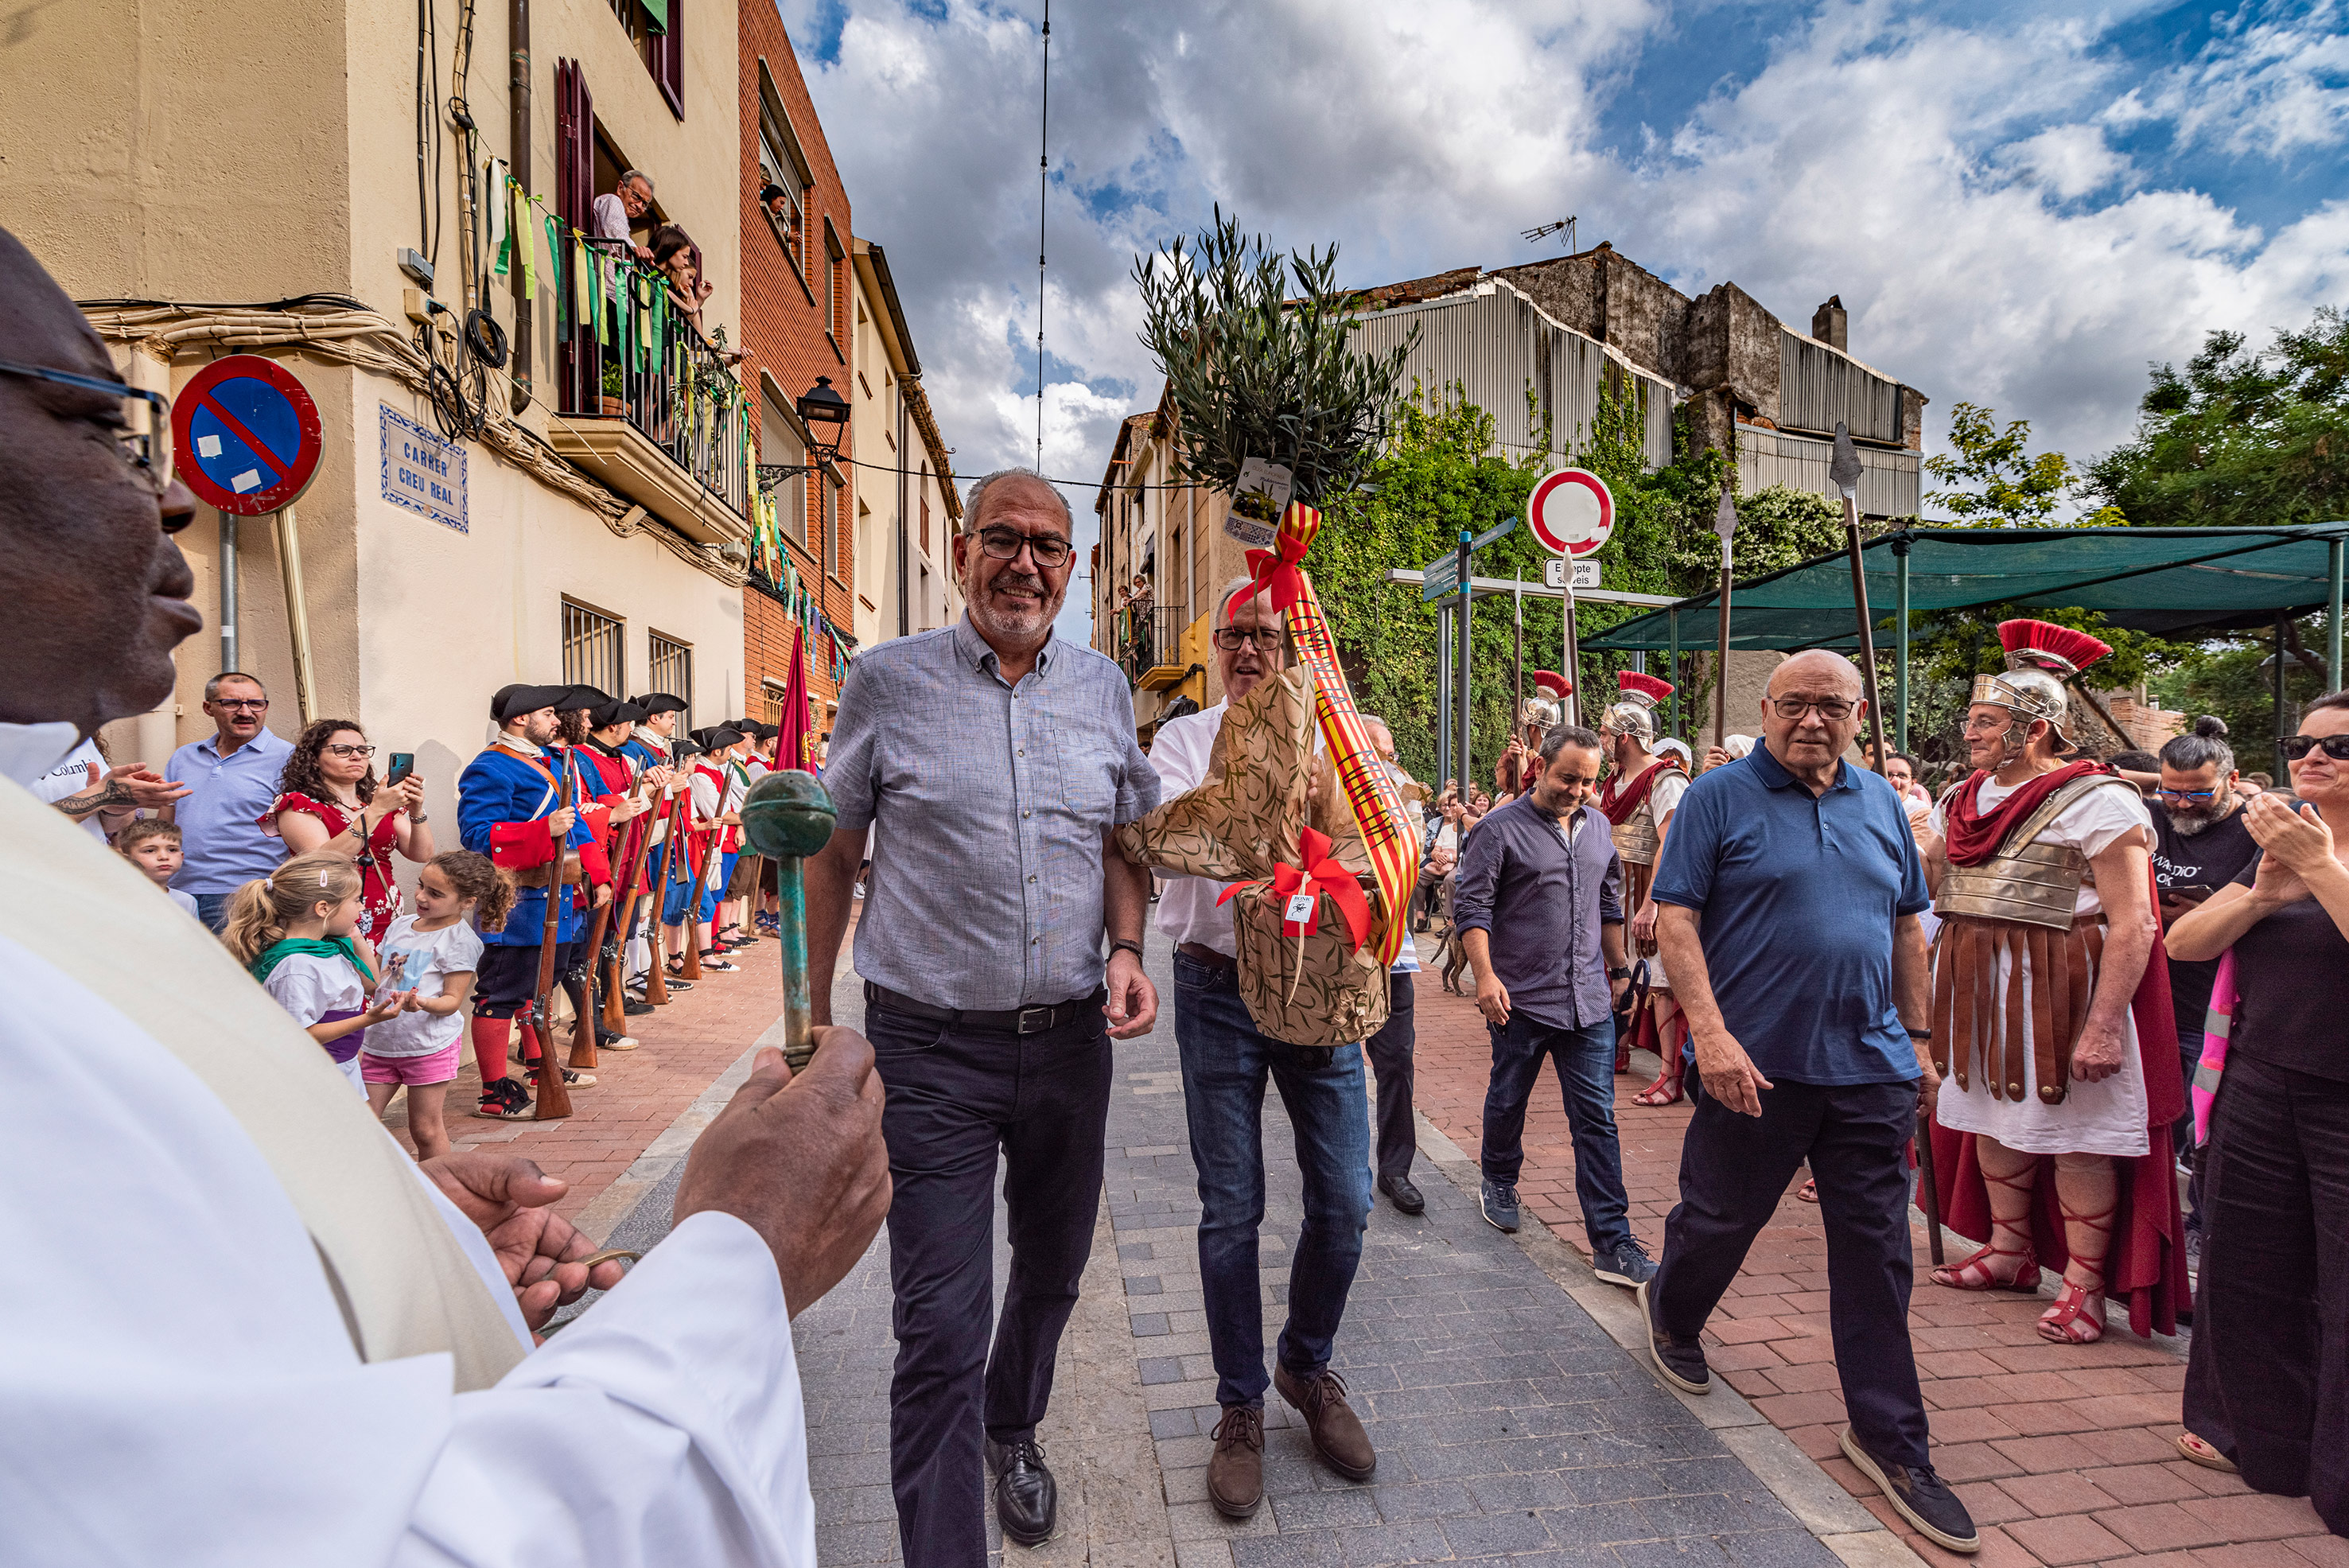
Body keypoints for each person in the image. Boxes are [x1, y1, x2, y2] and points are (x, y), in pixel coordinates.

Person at [0, 222, 892, 1566]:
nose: (170, 497)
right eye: (90, 420)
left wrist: (422, 1261)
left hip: (569, 915)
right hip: (531, 916)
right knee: (529, 1002)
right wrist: (738, 1260)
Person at [806, 466, 1159, 1564]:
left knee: (1051, 1273)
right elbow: (833, 844)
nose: (1024, 561)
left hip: (1067, 1044)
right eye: (1001, 538)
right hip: (928, 1050)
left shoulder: (1103, 687)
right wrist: (816, 1016)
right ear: (961, 552)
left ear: (1075, 568)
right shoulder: (886, 679)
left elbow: (1123, 837)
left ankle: (1015, 1425)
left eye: (1047, 545)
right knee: (940, 1325)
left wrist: (1131, 948)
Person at [1647, 650, 1978, 1555]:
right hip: (1757, 1066)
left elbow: (1907, 924)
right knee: (1720, 1219)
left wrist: (1915, 1040)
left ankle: (1889, 1440)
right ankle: (1672, 1312)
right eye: (1793, 704)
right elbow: (1673, 917)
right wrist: (1709, 1038)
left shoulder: (1880, 802)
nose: (1810, 720)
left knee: (1875, 1255)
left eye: (1829, 705)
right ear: (1766, 708)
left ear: (1858, 713)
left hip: (1868, 1066)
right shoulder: (1717, 797)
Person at [1149, 578, 1379, 1519]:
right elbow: (1184, 841)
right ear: (1214, 650)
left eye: (1268, 635)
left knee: (1348, 1199)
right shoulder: (1182, 740)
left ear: (1296, 648)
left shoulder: (1344, 739)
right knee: (1229, 1207)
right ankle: (1239, 1403)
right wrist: (1287, 797)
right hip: (1215, 986)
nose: (1250, 649)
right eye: (1235, 635)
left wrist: (1339, 810)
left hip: (1316, 982)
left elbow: (1373, 841)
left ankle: (1303, 1366)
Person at [1919, 622, 2185, 1347]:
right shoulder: (1962, 795)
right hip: (1975, 982)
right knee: (1993, 1120)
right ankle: (2009, 1252)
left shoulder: (2099, 799)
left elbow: (2135, 924)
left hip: (2061, 984)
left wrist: (2102, 1024)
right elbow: (1933, 873)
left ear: (2034, 729)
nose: (1969, 731)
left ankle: (2083, 1286)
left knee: (2076, 1136)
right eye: (1972, 718)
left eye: (1986, 720)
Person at [2167, 691, 2349, 1531]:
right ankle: (2259, 1439)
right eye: (2301, 744)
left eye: (2337, 748)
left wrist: (2317, 869)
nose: (2311, 759)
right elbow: (2183, 944)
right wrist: (2261, 894)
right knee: (2247, 1268)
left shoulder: (2307, 846)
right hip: (2259, 1081)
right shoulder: (2281, 848)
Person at [1455, 722, 1656, 1290]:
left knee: (1596, 1117)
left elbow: (1609, 903)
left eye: (1588, 781)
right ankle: (1497, 1176)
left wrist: (1619, 972)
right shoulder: (1498, 829)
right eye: (1568, 777)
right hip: (1519, 998)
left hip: (1588, 999)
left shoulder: (1598, 828)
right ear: (1540, 768)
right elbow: (1472, 908)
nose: (1577, 790)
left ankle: (1612, 1242)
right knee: (1508, 1093)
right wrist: (1485, 976)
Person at [457, 684, 612, 1118]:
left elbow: (575, 826)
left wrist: (597, 876)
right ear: (521, 719)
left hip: (558, 896)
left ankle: (538, 1065)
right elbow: (477, 837)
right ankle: (493, 1092)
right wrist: (543, 830)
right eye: (547, 713)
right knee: (501, 993)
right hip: (517, 901)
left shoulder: (546, 762)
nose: (555, 721)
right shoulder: (491, 767)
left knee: (539, 986)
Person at [2146, 714, 2259, 1257]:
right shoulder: (2149, 814)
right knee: (2152, 1130)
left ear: (2232, 780)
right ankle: (2156, 1230)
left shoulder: (2255, 830)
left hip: (2216, 1010)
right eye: (2170, 788)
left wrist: (2206, 913)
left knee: (2207, 1137)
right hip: (2151, 1001)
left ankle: (2203, 1231)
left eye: (2198, 793)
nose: (2182, 803)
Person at [225, 850, 411, 1092]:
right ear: (323, 908)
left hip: (341, 1070)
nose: (362, 907)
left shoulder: (326, 947)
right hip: (311, 1081)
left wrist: (354, 936)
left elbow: (371, 984)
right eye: (356, 900)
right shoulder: (296, 966)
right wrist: (368, 1019)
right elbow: (300, 1035)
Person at [367, 852, 506, 1160]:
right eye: (420, 886)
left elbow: (452, 1001)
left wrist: (421, 1003)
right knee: (359, 1120)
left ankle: (441, 1194)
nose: (421, 897)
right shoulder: (400, 926)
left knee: (425, 1130)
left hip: (428, 1047)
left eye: (435, 893)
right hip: (380, 1043)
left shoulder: (460, 940)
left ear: (468, 902)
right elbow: (377, 980)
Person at [1595, 671, 1691, 1103]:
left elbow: (1670, 845)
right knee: (1617, 970)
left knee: (1660, 983)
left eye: (1605, 731)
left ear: (1626, 738)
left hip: (1649, 891)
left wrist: (1653, 903)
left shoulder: (1666, 779)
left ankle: (1671, 1077)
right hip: (1616, 887)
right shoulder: (1614, 781)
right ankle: (1616, 1050)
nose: (1600, 737)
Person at [262, 718, 434, 944]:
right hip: (329, 914)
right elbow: (323, 861)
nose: (356, 756)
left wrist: (416, 809)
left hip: (385, 912)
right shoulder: (298, 804)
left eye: (362, 750)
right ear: (314, 759)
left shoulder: (375, 801)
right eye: (342, 750)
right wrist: (376, 812)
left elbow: (421, 854)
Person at [165, 670, 293, 930]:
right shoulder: (184, 757)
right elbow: (165, 824)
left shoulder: (290, 759)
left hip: (245, 894)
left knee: (236, 971)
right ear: (208, 708)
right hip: (177, 890)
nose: (246, 712)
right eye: (231, 703)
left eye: (256, 703)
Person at [1360, 715, 1426, 1214]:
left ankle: (1395, 1169)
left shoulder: (1406, 802)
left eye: (1390, 754)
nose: (1387, 763)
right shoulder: (1329, 794)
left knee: (1397, 1062)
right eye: (1376, 754)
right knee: (1328, 1062)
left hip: (1393, 957)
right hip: (1337, 956)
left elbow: (1410, 864)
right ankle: (1334, 1170)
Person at [32, 730, 184, 839]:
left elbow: (110, 827)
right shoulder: (10, 743)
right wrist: (99, 795)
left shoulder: (81, 738)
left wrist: (115, 809)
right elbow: (21, 825)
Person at [115, 815, 200, 917]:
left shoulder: (187, 901)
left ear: (182, 856)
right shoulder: (118, 899)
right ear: (127, 858)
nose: (164, 857)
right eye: (150, 851)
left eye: (172, 850)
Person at [593, 167, 655, 265]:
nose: (639, 206)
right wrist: (635, 250)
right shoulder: (613, 200)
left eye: (644, 204)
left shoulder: (623, 217)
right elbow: (616, 232)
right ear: (620, 188)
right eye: (636, 196)